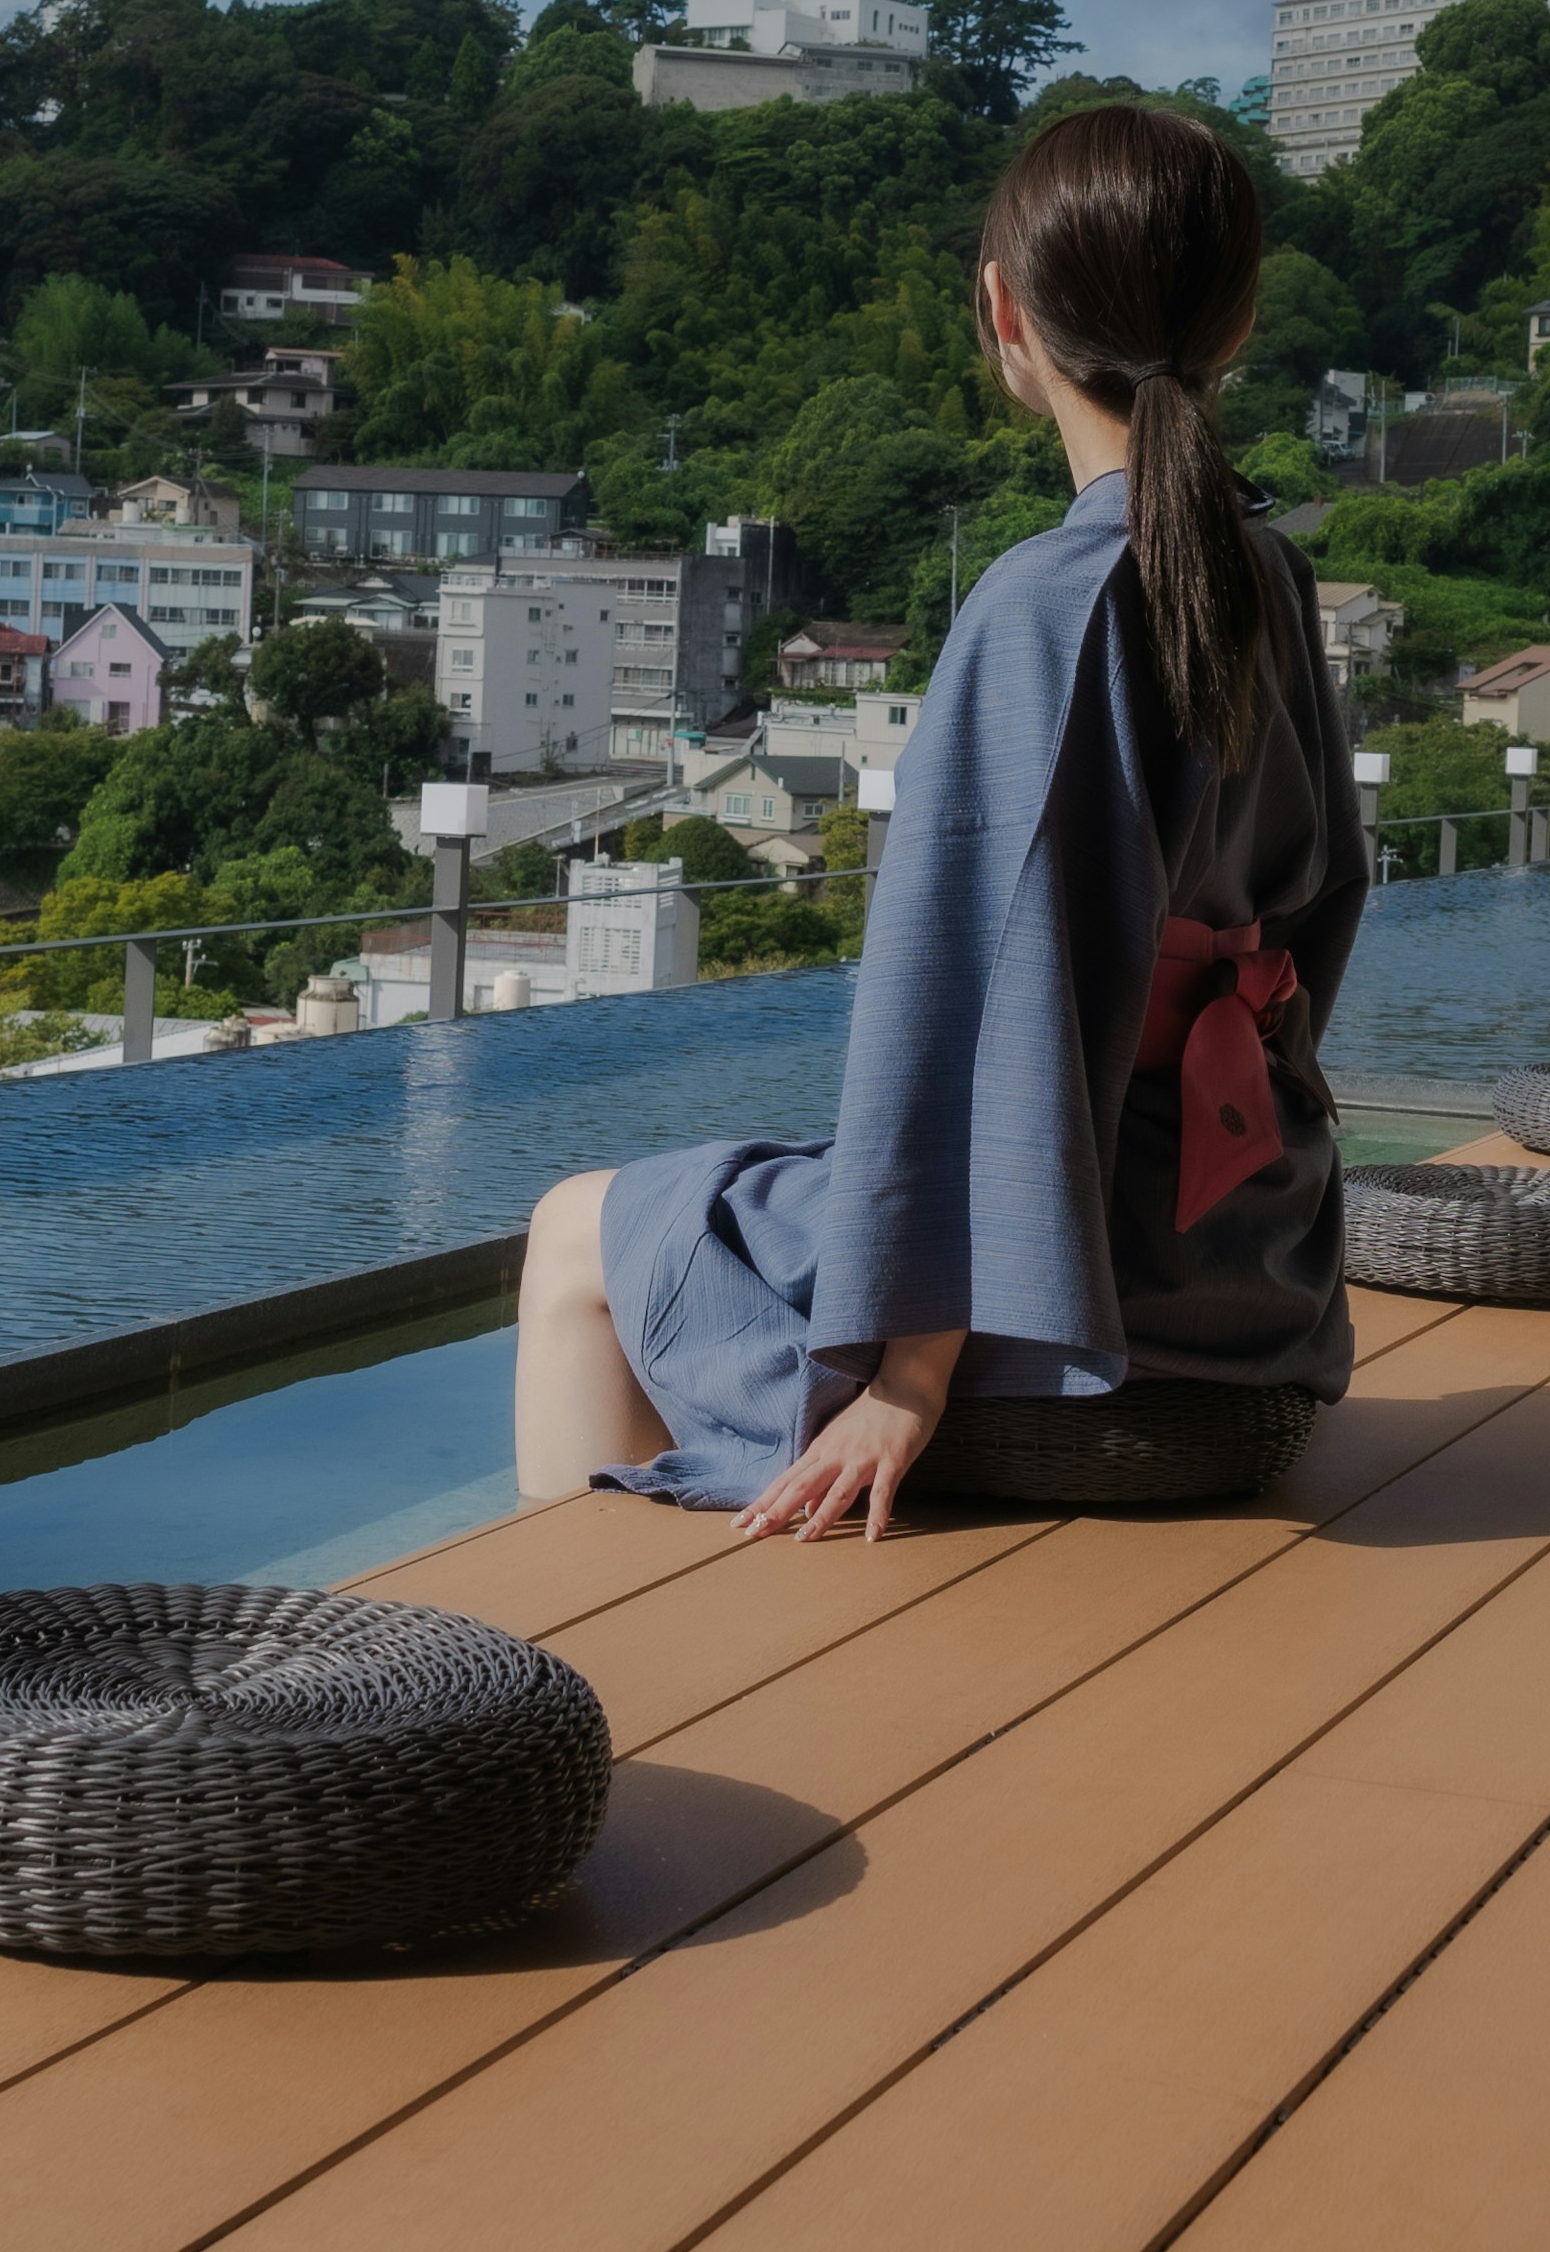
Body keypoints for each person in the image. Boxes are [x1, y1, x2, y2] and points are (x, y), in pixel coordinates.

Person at [515, 99, 1368, 1537]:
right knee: (745, 1201)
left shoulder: (1046, 603)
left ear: (1002, 313)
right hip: (1252, 1299)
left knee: (573, 1234)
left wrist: (910, 1367)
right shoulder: (1268, 574)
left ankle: (556, 1649)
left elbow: (981, 1009)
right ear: (1242, 325)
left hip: (1071, 1349)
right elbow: (1318, 926)